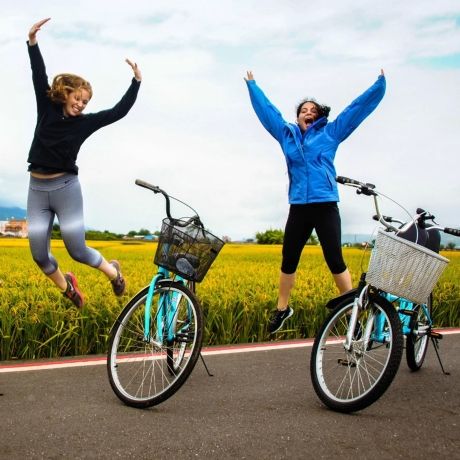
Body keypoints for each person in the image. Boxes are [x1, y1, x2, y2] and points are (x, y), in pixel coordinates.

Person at [244, 69, 385, 333]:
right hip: (298, 206)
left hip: (325, 205)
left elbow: (356, 110)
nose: (308, 112)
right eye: (303, 110)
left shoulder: (331, 133)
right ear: (297, 117)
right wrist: (253, 86)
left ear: (318, 116)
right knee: (289, 258)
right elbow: (268, 113)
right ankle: (282, 309)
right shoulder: (286, 135)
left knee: (334, 258)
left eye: (313, 110)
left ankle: (353, 312)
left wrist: (378, 86)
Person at [26, 18, 142, 308]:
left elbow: (118, 112)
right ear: (67, 93)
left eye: (86, 102)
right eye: (78, 98)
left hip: (66, 188)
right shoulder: (47, 108)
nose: (81, 104)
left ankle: (114, 273)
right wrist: (32, 43)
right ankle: (70, 290)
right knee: (40, 255)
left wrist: (136, 82)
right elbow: (38, 74)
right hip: (37, 189)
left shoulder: (85, 124)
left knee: (76, 249)